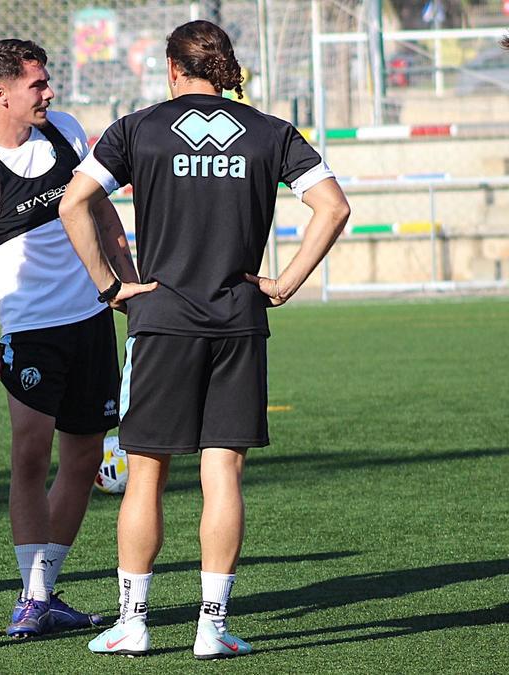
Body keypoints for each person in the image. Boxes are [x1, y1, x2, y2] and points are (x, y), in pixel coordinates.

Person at [59, 20, 351, 659]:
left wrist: (111, 288)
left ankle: (133, 621)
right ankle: (211, 627)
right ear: (226, 69)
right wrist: (284, 283)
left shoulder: (138, 128)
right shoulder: (272, 132)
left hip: (161, 322)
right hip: (238, 321)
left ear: (172, 69)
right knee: (223, 471)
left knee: (146, 473)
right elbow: (334, 206)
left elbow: (73, 204)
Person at [0, 39, 148, 639]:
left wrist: (125, 287)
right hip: (30, 332)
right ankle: (31, 596)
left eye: (47, 82)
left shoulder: (67, 131)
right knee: (30, 455)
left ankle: (43, 592)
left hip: (91, 320)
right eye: (37, 84)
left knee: (84, 457)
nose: (49, 92)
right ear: (0, 94)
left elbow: (102, 215)